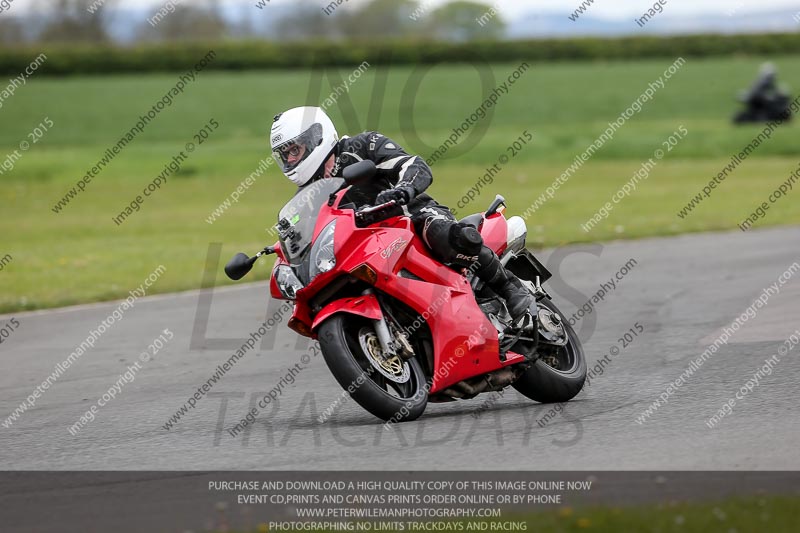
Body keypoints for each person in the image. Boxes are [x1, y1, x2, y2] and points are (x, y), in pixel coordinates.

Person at [270, 106, 533, 324]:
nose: (291, 160)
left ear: (316, 137)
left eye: (295, 150)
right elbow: (305, 234)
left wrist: (404, 189)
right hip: (368, 248)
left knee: (444, 235)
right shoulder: (306, 197)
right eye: (285, 155)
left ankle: (511, 288)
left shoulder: (362, 145)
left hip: (412, 217)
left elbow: (413, 164)